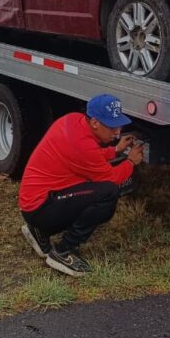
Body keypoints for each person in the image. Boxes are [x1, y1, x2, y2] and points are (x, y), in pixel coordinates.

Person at [18, 93, 144, 277]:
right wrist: (131, 162)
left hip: (36, 201)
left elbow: (89, 156)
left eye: (119, 125)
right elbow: (110, 178)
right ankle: (62, 251)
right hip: (40, 207)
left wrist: (115, 150)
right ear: (95, 123)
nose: (118, 132)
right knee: (108, 192)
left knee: (96, 186)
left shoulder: (73, 121)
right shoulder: (82, 146)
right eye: (112, 127)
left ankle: (39, 230)